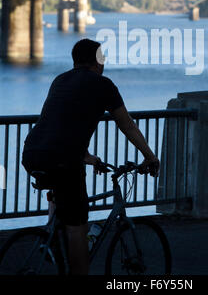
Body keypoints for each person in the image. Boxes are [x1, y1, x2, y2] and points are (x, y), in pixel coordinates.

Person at [22, 38, 160, 275]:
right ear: (98, 61)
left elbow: (60, 124)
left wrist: (87, 157)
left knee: (60, 190)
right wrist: (150, 156)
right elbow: (127, 126)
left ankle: (51, 238)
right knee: (78, 227)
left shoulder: (60, 80)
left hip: (32, 152)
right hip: (62, 159)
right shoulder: (103, 84)